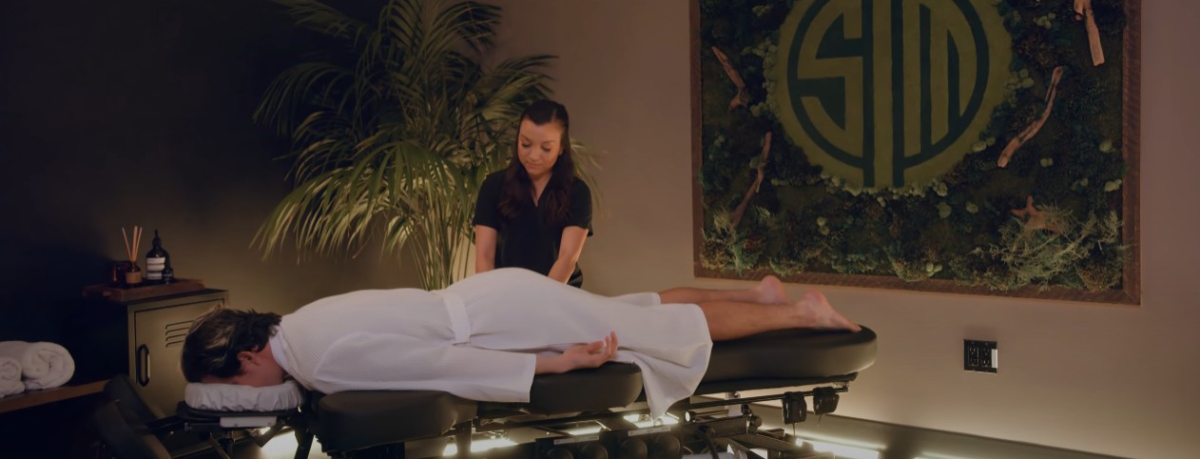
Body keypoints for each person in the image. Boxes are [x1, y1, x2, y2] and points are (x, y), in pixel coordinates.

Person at [181, 268, 860, 417]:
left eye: (238, 386)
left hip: (503, 321)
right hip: (495, 300)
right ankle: (761, 298)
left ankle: (802, 312)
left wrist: (551, 366)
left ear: (248, 357)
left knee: (665, 332)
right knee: (639, 309)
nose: (251, 395)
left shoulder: (320, 361)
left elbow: (443, 365)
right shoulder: (300, 323)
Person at [473, 99, 591, 287]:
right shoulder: (494, 186)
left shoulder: (577, 192)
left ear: (561, 147)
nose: (534, 156)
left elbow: (567, 258)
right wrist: (490, 297)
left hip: (558, 293)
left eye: (546, 148)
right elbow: (484, 256)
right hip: (503, 291)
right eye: (526, 144)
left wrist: (541, 299)